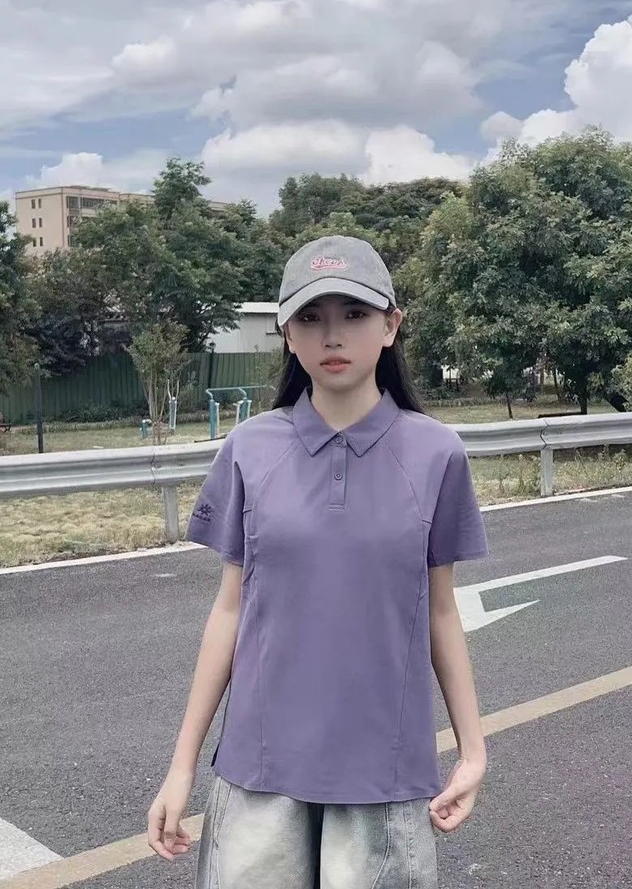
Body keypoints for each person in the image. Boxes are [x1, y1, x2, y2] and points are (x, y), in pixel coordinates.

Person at [147, 234, 489, 888]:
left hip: (384, 772)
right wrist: (181, 765)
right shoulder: (250, 449)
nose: (332, 335)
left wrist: (473, 750)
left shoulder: (437, 454)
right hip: (259, 768)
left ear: (391, 326)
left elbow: (442, 612)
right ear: (287, 334)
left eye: (354, 314)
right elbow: (230, 610)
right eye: (310, 317)